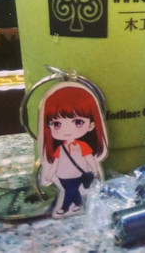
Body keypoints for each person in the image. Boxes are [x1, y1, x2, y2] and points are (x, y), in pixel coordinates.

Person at [39, 82, 108, 218]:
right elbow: (56, 162)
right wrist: (49, 174)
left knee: (69, 190)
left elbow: (89, 158)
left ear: (91, 125)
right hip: (62, 175)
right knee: (71, 190)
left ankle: (64, 207)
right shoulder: (61, 148)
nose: (67, 130)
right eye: (57, 124)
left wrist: (94, 170)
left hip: (77, 174)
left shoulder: (82, 146)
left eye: (78, 122)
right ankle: (78, 204)